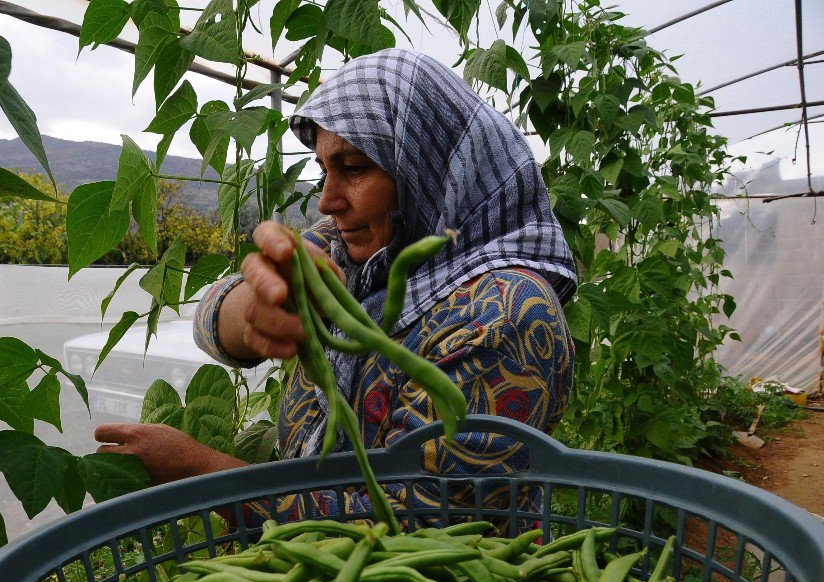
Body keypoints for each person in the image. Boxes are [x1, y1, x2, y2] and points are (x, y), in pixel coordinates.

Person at [96, 48, 577, 528]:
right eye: (324, 169)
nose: (327, 201)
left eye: (354, 167)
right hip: (305, 573)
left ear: (425, 168)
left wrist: (198, 471)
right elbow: (210, 318)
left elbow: (407, 530)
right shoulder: (354, 252)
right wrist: (255, 306)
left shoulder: (508, 314)